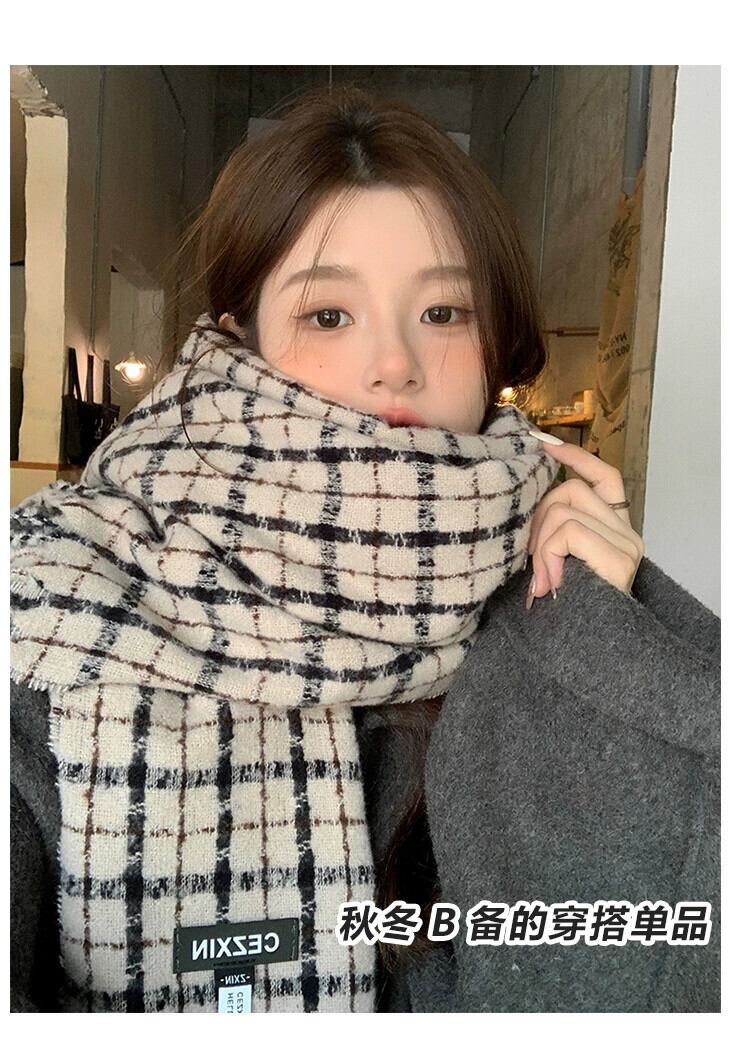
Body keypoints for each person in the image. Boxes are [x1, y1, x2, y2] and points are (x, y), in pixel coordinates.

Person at [10, 85, 719, 1014]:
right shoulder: (62, 598)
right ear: (242, 340)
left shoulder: (547, 589)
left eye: (444, 312)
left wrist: (598, 636)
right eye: (329, 315)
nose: (395, 363)